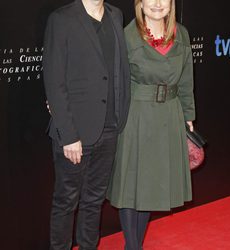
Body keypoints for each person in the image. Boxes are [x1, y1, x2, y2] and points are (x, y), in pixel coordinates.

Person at [106, 0, 195, 249]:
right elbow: (114, 81)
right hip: (136, 115)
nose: (158, 4)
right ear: (139, 3)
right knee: (131, 183)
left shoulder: (181, 33)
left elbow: (186, 80)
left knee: (149, 185)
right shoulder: (126, 35)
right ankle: (132, 246)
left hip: (169, 115)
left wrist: (188, 117)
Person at [42, 0, 130, 249]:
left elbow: (116, 69)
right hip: (75, 132)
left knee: (94, 200)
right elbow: (54, 78)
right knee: (66, 200)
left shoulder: (116, 14)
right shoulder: (62, 19)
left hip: (110, 126)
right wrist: (68, 135)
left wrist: (120, 115)